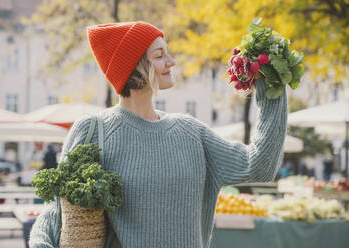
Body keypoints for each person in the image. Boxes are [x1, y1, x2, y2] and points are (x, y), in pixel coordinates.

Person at [29, 21, 288, 248]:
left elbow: (260, 167)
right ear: (136, 66)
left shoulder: (190, 131)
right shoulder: (94, 131)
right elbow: (59, 211)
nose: (171, 61)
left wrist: (271, 87)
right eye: (159, 55)